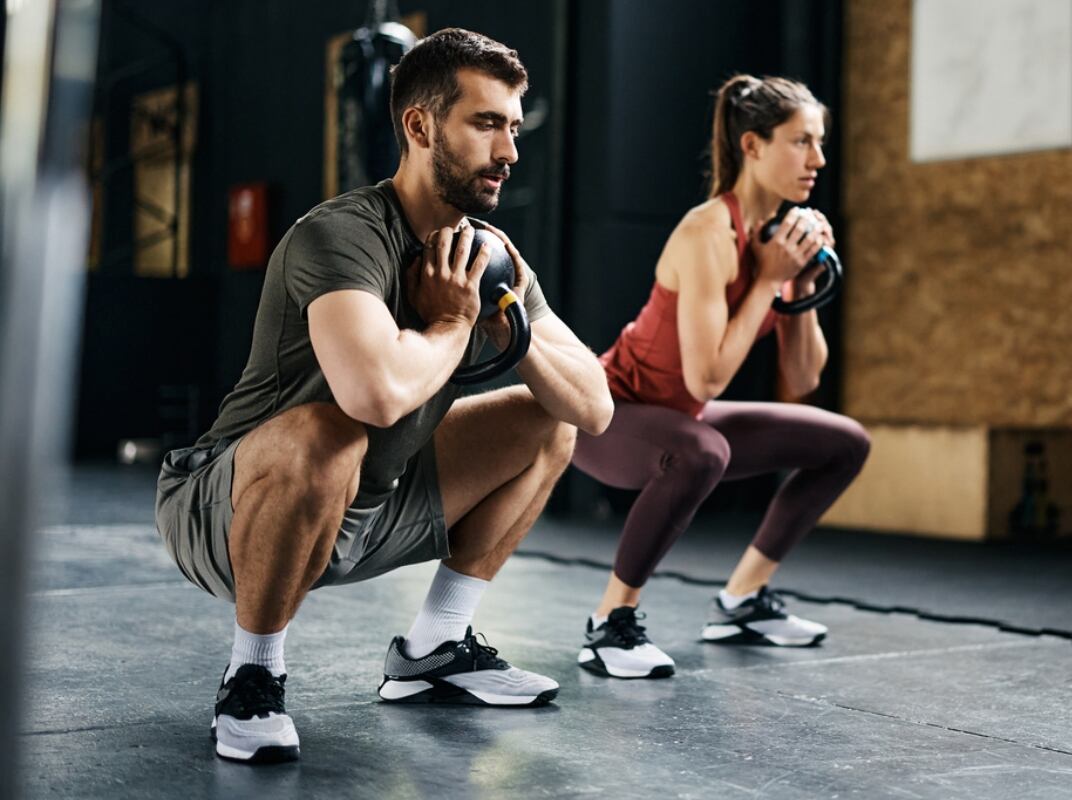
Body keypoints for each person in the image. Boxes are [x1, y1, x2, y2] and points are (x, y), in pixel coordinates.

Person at [155, 28, 612, 763]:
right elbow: (374, 397)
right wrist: (454, 322)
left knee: (549, 419)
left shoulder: (488, 256)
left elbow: (595, 408)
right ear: (420, 126)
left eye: (513, 127)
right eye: (486, 124)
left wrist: (509, 328)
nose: (509, 151)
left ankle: (436, 648)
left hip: (372, 506)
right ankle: (253, 675)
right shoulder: (341, 235)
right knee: (329, 433)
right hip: (228, 509)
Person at [571, 75, 870, 679]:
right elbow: (706, 379)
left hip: (680, 418)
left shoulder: (778, 241)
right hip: (605, 415)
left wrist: (798, 287)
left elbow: (802, 377)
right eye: (801, 142)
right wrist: (767, 281)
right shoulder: (707, 231)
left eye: (819, 142)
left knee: (844, 443)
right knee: (702, 451)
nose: (818, 159)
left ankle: (742, 602)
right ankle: (609, 625)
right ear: (753, 145)